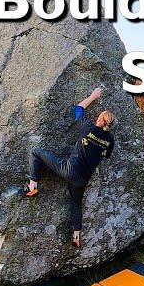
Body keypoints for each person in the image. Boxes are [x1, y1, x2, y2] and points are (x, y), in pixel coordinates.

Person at [23, 87, 115, 248]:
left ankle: (32, 185)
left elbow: (78, 108)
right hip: (82, 180)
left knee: (35, 152)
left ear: (100, 120)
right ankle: (76, 235)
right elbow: (106, 156)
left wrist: (93, 96)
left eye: (98, 117)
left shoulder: (89, 128)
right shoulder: (110, 141)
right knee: (76, 203)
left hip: (69, 169)